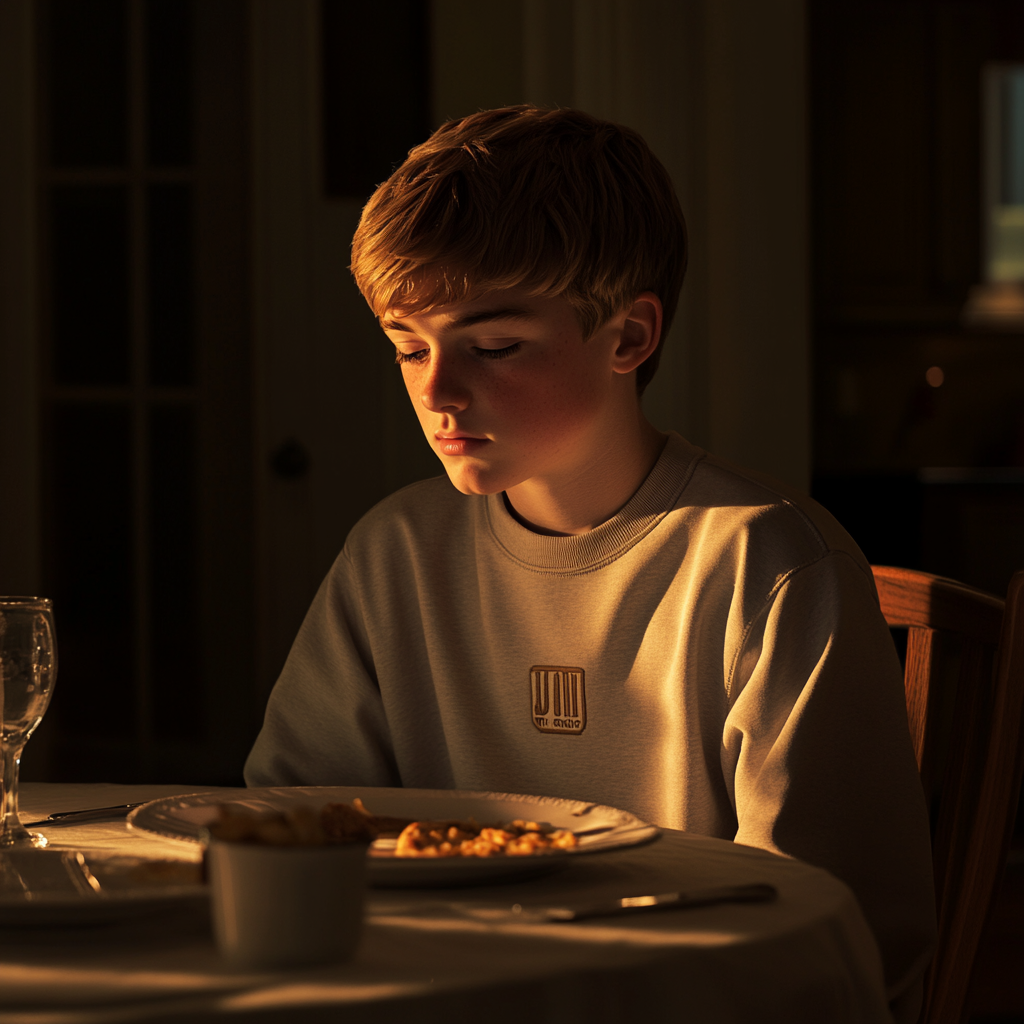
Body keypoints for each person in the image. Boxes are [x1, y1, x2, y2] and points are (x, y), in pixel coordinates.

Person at [245, 105, 935, 1017]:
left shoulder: (764, 564)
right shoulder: (395, 553)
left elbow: (832, 927)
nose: (437, 391)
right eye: (409, 348)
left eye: (495, 347)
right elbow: (291, 830)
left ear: (629, 338)